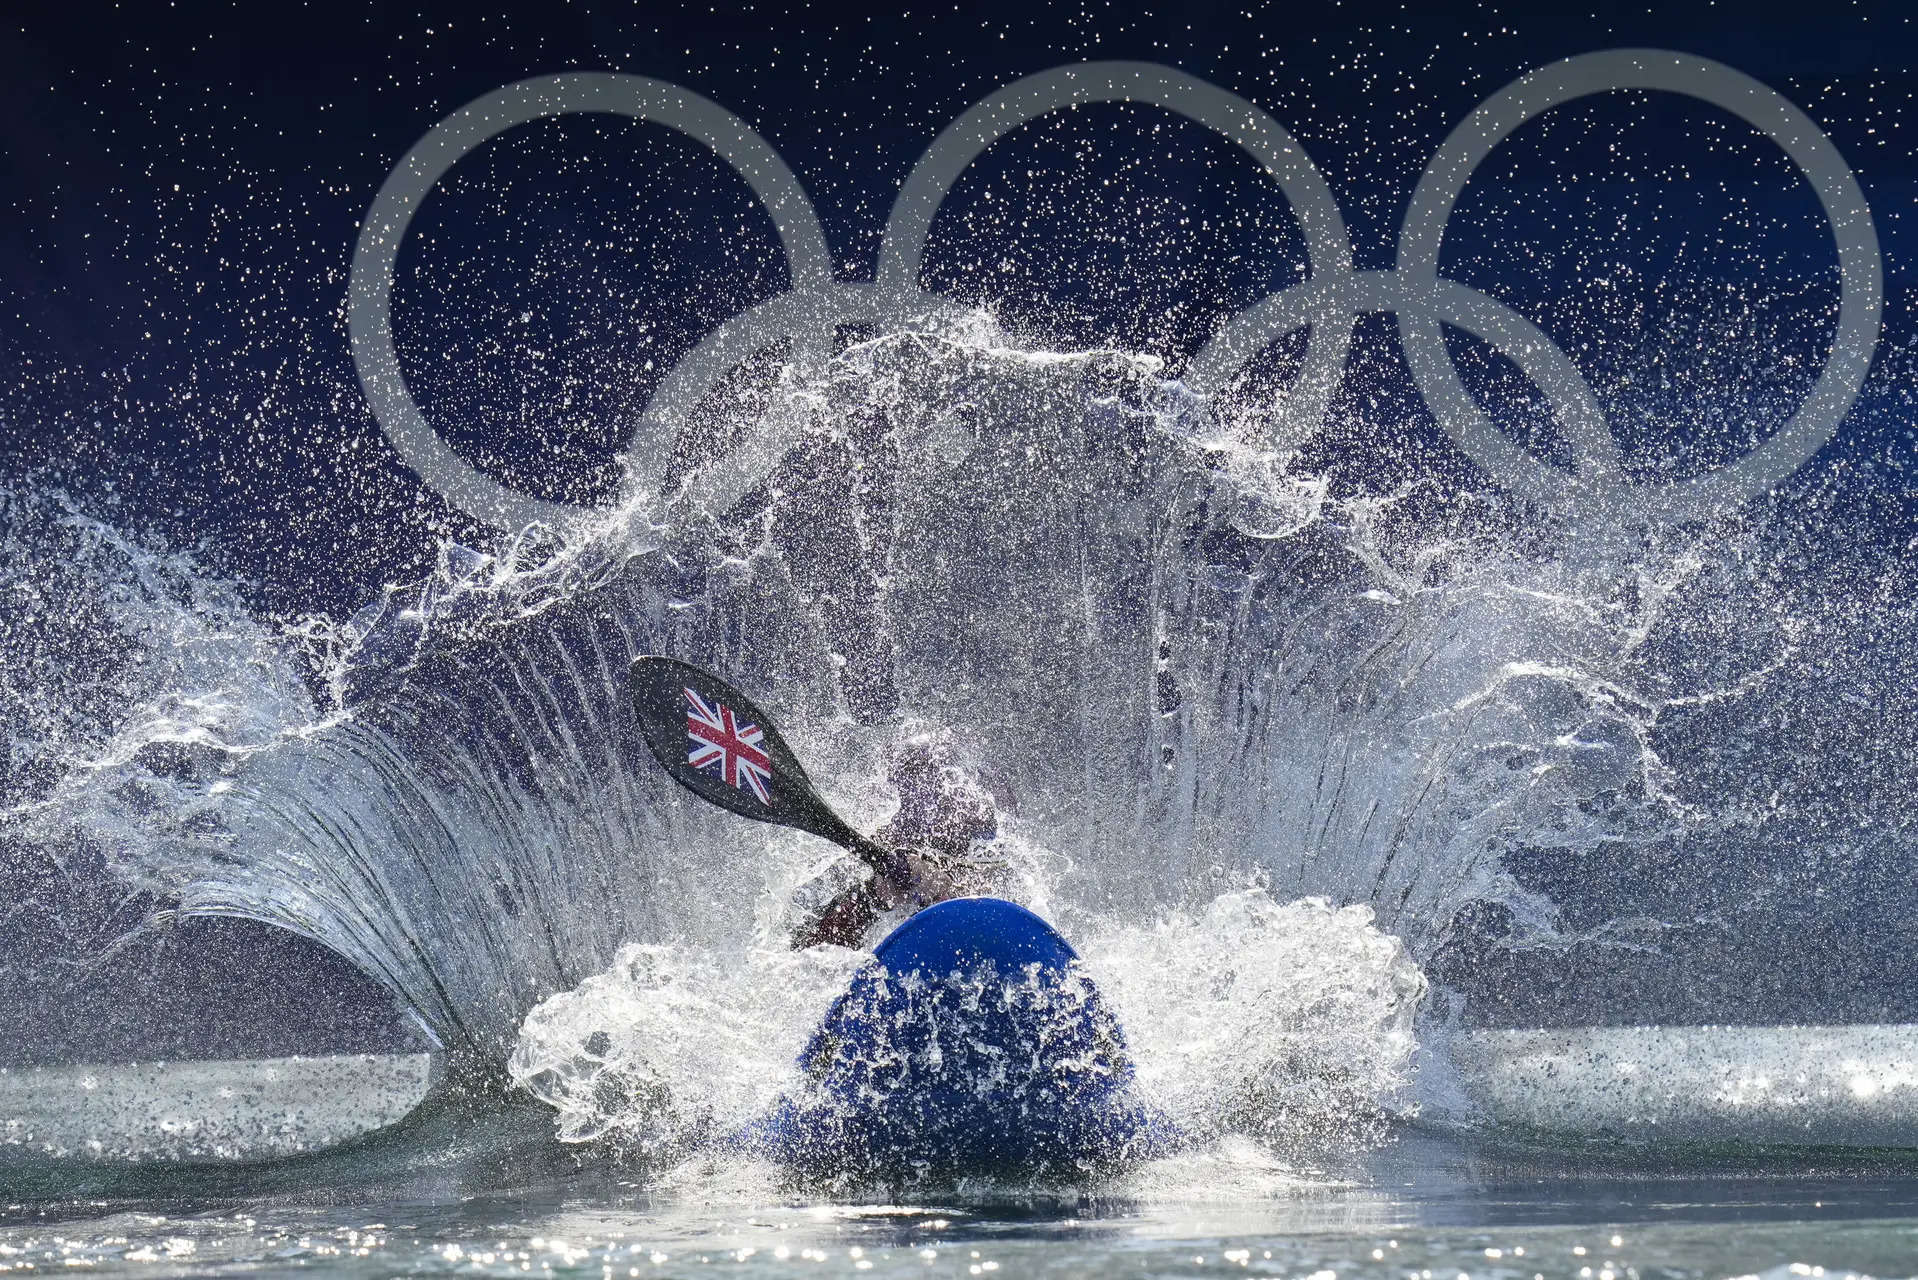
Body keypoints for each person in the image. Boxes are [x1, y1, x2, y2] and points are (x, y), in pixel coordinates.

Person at [790, 733, 1009, 949]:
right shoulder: (864, 866)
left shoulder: (977, 811)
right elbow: (803, 947)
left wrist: (950, 889)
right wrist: (875, 896)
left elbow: (994, 876)